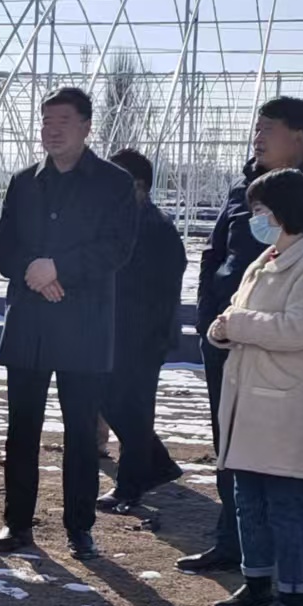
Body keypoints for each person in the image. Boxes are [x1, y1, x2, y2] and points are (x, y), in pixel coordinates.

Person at [181, 96, 303, 572]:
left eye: (267, 129)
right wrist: (209, 317)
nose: (257, 138)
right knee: (233, 443)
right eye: (256, 128)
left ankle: (297, 553)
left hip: (285, 348)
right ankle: (236, 541)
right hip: (230, 339)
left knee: (287, 454)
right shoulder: (245, 187)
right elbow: (215, 254)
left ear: (298, 136)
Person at [0, 86, 139, 560]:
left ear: (87, 127)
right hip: (29, 323)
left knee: (80, 432)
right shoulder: (24, 181)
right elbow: (1, 239)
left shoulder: (113, 183)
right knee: (21, 429)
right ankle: (17, 522)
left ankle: (80, 525)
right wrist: (32, 269)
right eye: (46, 122)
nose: (52, 131)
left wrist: (59, 270)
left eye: (63, 122)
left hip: (83, 325)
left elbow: (117, 247)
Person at [206, 169, 303, 606]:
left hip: (284, 406)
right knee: (250, 501)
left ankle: (295, 599)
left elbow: (300, 328)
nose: (255, 219)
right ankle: (258, 582)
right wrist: (223, 330)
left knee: (285, 505)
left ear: (285, 211)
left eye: (261, 210)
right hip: (251, 401)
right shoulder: (265, 261)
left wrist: (238, 325)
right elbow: (235, 316)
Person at [96, 148, 186, 513]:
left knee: (132, 408)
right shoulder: (120, 223)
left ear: (138, 186)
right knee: (112, 403)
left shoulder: (155, 228)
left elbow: (163, 289)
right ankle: (158, 464)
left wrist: (151, 336)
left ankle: (130, 486)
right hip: (115, 333)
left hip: (143, 337)